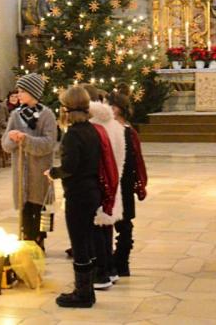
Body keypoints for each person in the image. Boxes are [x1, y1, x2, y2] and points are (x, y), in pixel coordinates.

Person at [44, 85, 114, 308]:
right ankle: (87, 290)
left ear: (67, 109)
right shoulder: (92, 129)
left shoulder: (73, 135)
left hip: (79, 194)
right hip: (92, 191)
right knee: (87, 239)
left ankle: (83, 294)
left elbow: (70, 167)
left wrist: (53, 172)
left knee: (79, 242)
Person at [1, 74, 57, 250]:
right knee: (25, 208)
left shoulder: (47, 115)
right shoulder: (15, 115)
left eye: (22, 91)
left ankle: (39, 240)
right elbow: (6, 144)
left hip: (39, 171)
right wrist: (11, 138)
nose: (18, 94)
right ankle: (27, 239)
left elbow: (49, 143)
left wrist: (26, 140)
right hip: (21, 172)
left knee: (39, 207)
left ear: (33, 92)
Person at [83, 84, 125, 289]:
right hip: (112, 179)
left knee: (96, 227)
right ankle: (110, 269)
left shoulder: (92, 125)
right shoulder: (113, 123)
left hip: (97, 181)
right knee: (106, 226)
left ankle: (101, 274)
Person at [107, 91, 148, 276]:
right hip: (115, 181)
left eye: (111, 106)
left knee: (123, 224)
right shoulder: (116, 129)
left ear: (118, 109)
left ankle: (121, 261)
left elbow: (135, 159)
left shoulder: (127, 131)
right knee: (117, 223)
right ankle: (118, 261)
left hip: (122, 182)